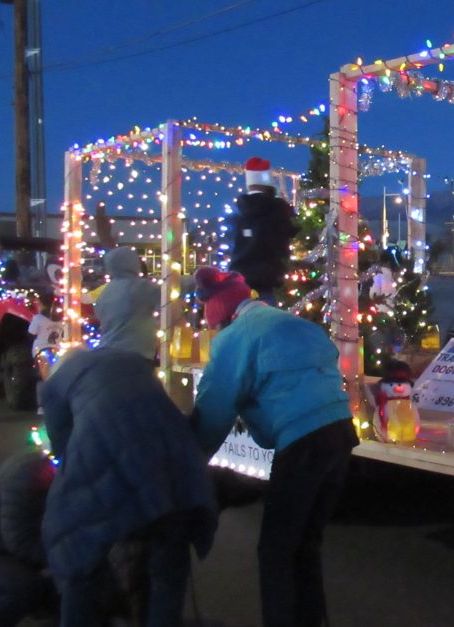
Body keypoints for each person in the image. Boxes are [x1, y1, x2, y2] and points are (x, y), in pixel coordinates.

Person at [190, 266, 356, 627]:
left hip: (303, 441)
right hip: (340, 433)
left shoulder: (235, 338)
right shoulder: (291, 323)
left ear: (221, 316)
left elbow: (214, 408)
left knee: (276, 550)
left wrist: (191, 461)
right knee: (306, 545)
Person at [40, 336, 218, 625]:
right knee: (168, 566)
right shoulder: (130, 361)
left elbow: (62, 444)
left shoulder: (57, 382)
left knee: (74, 547)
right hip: (174, 461)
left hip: (108, 454)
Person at [0, 451, 57, 627]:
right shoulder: (29, 471)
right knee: (24, 588)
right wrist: (60, 559)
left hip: (2, 550)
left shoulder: (47, 468)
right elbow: (19, 539)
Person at [227, 156, 298, 304]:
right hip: (271, 283)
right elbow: (290, 235)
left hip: (239, 284)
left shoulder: (239, 215)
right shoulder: (278, 210)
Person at [94, 246, 160, 359]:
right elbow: (167, 293)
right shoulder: (139, 287)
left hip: (108, 349)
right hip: (134, 352)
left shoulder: (107, 290)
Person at [27, 292, 62, 359]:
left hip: (40, 350)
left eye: (39, 304)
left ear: (44, 305)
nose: (38, 306)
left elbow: (31, 333)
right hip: (57, 350)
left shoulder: (39, 318)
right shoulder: (62, 319)